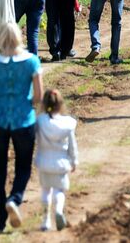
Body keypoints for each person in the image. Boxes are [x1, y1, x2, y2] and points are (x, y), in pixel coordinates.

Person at [0, 21, 43, 234]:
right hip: (24, 120)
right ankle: (15, 198)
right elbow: (39, 97)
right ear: (19, 37)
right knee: (23, 166)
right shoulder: (32, 61)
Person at [34, 90, 78, 232]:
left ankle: (46, 220)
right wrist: (74, 161)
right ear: (60, 105)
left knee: (46, 191)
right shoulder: (67, 124)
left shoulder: (40, 122)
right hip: (61, 164)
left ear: (44, 104)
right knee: (59, 191)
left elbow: (34, 139)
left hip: (44, 162)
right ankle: (59, 211)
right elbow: (72, 145)